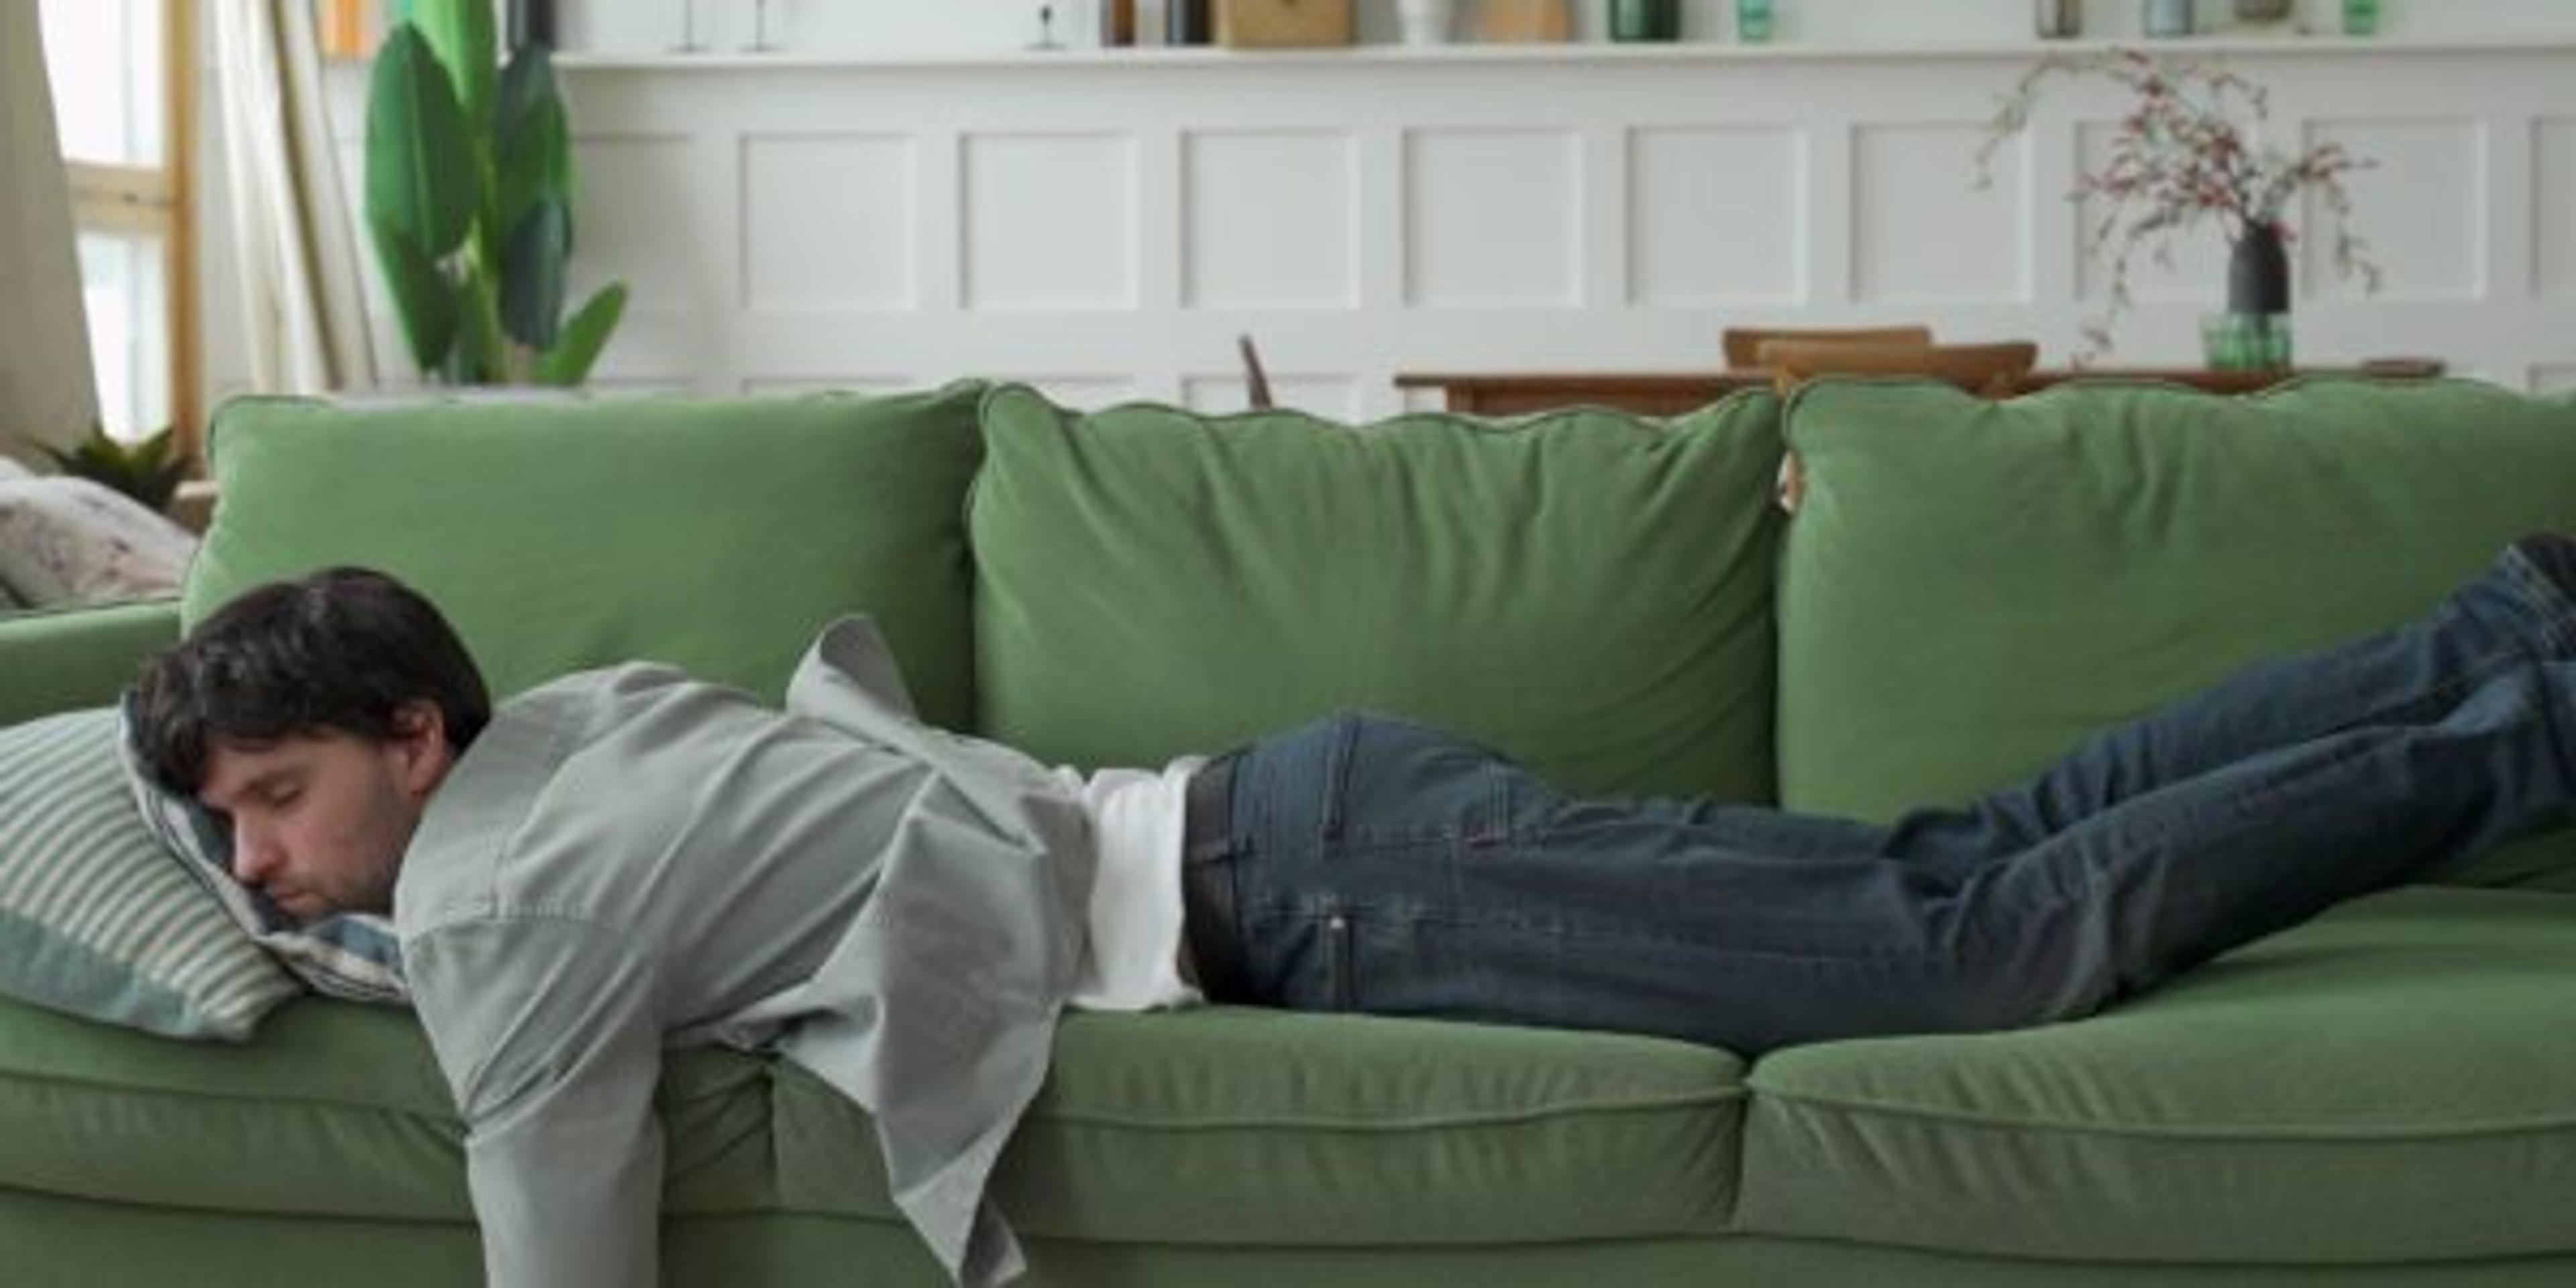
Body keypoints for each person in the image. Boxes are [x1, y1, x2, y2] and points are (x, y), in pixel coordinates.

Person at [131, 537, 2576, 1288]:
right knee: (1982, 854)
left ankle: (2529, 723)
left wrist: (361, 944)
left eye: (277, 805)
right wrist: (296, 911)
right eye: (228, 836)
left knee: (1990, 942)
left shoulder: (508, 893)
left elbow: (560, 1231)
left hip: (1320, 892)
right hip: (1308, 821)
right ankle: (2498, 638)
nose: (260, 869)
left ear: (417, 749)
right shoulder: (582, 714)